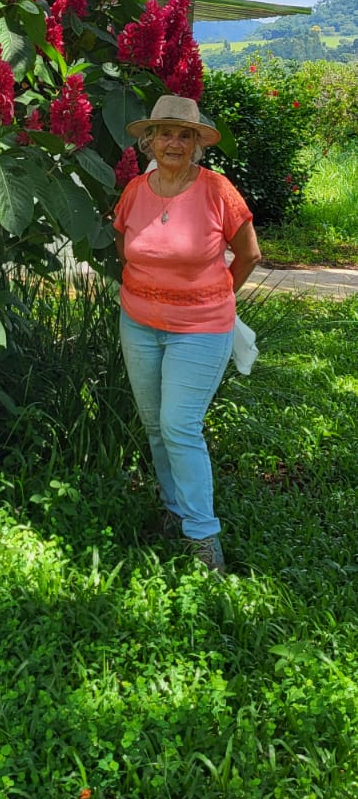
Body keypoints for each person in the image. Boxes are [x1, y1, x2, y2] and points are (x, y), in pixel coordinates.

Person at [113, 94, 261, 574]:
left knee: (180, 425)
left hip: (200, 330)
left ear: (197, 144)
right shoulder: (136, 189)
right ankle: (173, 510)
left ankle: (203, 537)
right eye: (164, 133)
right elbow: (124, 242)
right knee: (156, 426)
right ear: (149, 141)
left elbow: (249, 254)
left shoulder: (217, 190)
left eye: (184, 134)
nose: (173, 142)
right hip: (138, 323)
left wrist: (213, 295)